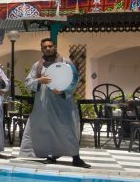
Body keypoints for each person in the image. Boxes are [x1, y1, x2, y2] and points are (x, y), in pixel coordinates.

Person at [21, 38, 90, 168]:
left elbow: (74, 80)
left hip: (63, 103)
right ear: (41, 49)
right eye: (45, 47)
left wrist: (64, 91)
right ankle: (51, 155)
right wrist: (39, 80)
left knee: (68, 128)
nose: (48, 49)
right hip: (45, 104)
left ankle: (76, 157)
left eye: (50, 46)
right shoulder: (37, 66)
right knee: (49, 129)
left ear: (55, 46)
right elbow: (28, 82)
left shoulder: (66, 63)